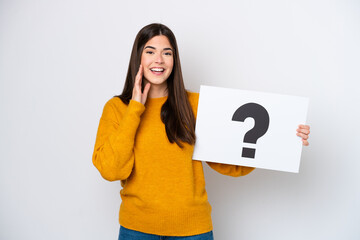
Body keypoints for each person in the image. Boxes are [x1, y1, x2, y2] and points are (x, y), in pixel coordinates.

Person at [92, 23, 311, 240]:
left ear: (174, 61)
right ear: (138, 57)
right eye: (150, 51)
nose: (159, 59)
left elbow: (229, 163)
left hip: (193, 231)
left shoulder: (197, 105)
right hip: (136, 230)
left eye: (167, 53)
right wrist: (135, 109)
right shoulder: (117, 109)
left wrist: (280, 138)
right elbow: (112, 170)